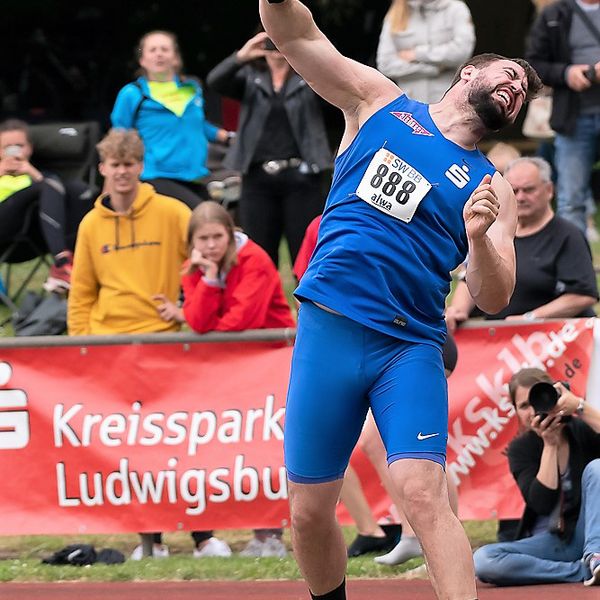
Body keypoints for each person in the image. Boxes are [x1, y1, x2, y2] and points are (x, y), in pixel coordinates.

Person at [260, 2, 542, 599]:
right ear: (469, 72)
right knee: (308, 512)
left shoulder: (492, 184)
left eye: (522, 93)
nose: (515, 89)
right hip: (330, 328)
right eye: (509, 75)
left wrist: (476, 241)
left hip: (408, 344)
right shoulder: (379, 102)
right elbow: (295, 34)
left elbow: (494, 296)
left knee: (421, 492)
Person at [66, 128, 230, 559]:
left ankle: (202, 536)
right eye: (115, 165)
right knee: (129, 453)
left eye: (130, 164)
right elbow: (81, 292)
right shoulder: (89, 224)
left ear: (141, 166)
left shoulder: (173, 211)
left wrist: (185, 305)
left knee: (179, 446)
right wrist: (80, 348)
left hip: (164, 345)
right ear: (103, 168)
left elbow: (206, 257)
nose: (122, 173)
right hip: (108, 348)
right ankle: (149, 541)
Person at [206, 29, 331, 267]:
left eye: (281, 39)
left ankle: (304, 305)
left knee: (307, 256)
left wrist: (305, 52)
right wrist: (243, 55)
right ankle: (265, 305)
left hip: (302, 178)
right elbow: (215, 81)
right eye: (270, 41)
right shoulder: (250, 78)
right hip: (257, 177)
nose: (276, 48)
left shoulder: (310, 78)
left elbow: (336, 84)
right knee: (260, 257)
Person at [473, 368, 600, 587]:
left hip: (589, 532)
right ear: (516, 412)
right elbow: (541, 503)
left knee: (597, 468)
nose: (534, 410)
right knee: (483, 560)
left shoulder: (580, 430)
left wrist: (579, 406)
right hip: (554, 541)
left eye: (539, 398)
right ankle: (581, 570)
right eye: (524, 406)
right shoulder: (521, 448)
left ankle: (594, 557)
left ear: (556, 397)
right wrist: (550, 444)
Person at [445, 156, 598, 332]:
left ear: (549, 190)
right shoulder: (491, 231)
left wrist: (530, 318)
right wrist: (458, 310)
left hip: (550, 343)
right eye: (514, 190)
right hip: (498, 341)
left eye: (529, 190)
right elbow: (472, 274)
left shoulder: (568, 235)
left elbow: (582, 295)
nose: (521, 197)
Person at [111, 30, 232, 209]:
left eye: (165, 49)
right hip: (155, 175)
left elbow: (197, 125)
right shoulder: (132, 93)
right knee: (201, 219)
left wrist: (225, 136)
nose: (159, 54)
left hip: (196, 174)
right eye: (152, 50)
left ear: (175, 58)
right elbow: (119, 136)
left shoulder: (192, 90)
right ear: (142, 59)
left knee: (214, 225)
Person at [526, 0, 600, 234]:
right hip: (573, 117)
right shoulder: (554, 14)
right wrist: (566, 73)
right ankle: (575, 266)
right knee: (570, 199)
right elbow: (533, 64)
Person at [0, 119, 92, 293]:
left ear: (30, 148)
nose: (14, 152)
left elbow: (55, 190)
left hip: (32, 239)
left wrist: (33, 173)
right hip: (3, 234)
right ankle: (61, 262)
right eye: (7, 147)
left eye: (19, 146)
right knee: (47, 186)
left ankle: (75, 264)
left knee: (76, 189)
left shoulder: (40, 176)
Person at [376, 0, 476, 104]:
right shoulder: (396, 13)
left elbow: (462, 51)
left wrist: (417, 54)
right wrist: (434, 69)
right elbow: (385, 64)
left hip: (447, 101)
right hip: (410, 104)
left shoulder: (456, 9)